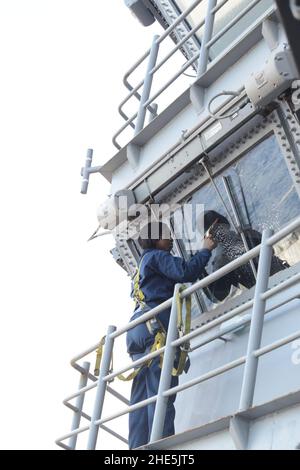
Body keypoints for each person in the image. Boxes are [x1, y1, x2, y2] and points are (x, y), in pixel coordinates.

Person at [126, 221, 216, 449]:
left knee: (141, 397)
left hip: (137, 329)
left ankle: (136, 448)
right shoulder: (157, 256)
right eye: (167, 236)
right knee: (160, 391)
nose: (172, 241)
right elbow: (185, 272)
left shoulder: (141, 266)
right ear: (156, 239)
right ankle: (161, 447)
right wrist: (206, 248)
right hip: (155, 328)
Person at [202, 210, 290, 302]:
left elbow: (218, 295)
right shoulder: (246, 233)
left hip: (269, 296)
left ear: (209, 236)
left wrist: (201, 271)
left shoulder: (220, 260)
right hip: (285, 274)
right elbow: (271, 250)